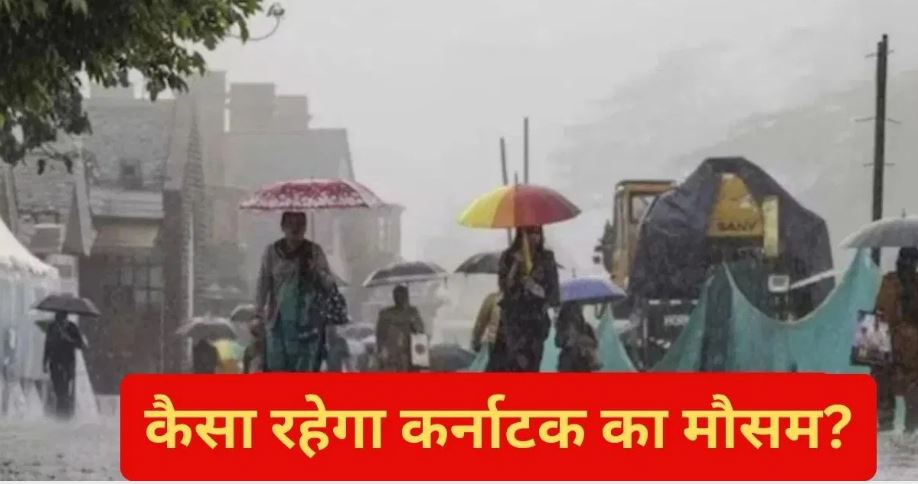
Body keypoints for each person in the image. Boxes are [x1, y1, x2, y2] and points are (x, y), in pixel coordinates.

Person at [254, 211, 335, 372]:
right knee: (276, 366)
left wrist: (316, 272)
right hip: (278, 323)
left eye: (300, 224)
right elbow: (263, 284)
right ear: (282, 227)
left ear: (305, 228)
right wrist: (257, 315)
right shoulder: (271, 252)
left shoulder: (314, 251)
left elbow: (329, 285)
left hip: (307, 323)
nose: (295, 228)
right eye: (290, 224)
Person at [488, 226, 560, 371]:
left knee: (532, 365)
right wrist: (515, 265)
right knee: (513, 364)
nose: (534, 238)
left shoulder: (546, 258)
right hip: (513, 324)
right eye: (530, 233)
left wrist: (534, 287)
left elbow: (553, 294)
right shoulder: (509, 256)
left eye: (537, 233)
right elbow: (504, 286)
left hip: (535, 324)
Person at [874, 247, 918, 432]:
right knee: (912, 384)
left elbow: (880, 312)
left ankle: (888, 423)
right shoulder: (908, 284)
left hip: (887, 341)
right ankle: (911, 428)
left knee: (883, 379)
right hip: (908, 344)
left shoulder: (889, 283)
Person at [42, 311, 85, 419]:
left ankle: (63, 414)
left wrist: (68, 339)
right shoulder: (52, 328)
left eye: (61, 319)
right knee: (58, 389)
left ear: (65, 318)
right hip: (55, 362)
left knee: (65, 389)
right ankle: (61, 412)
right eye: (58, 319)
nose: (60, 322)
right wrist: (44, 362)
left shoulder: (72, 327)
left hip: (67, 363)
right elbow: (47, 345)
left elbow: (80, 344)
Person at [376, 285, 426, 371]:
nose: (399, 299)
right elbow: (380, 336)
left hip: (410, 352)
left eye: (402, 296)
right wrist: (381, 351)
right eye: (397, 296)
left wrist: (413, 322)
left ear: (406, 297)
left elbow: (420, 331)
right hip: (392, 354)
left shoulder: (412, 312)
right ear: (394, 297)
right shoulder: (386, 315)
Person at [555, 301, 601, 372]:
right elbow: (558, 342)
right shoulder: (563, 327)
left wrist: (582, 341)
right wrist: (568, 341)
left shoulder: (586, 327)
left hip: (581, 360)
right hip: (570, 361)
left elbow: (595, 343)